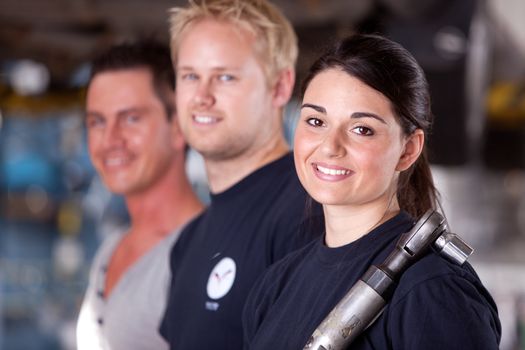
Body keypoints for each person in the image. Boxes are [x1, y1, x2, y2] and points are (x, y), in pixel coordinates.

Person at [242, 34, 501, 349]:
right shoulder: (275, 286)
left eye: (361, 129)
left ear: (408, 150)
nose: (330, 146)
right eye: (315, 120)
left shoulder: (431, 290)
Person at [159, 0, 322, 348]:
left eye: (225, 77)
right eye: (190, 76)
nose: (201, 97)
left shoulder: (308, 211)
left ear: (279, 87)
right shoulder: (188, 242)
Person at [76, 40, 203, 350]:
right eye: (97, 122)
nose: (109, 140)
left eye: (131, 118)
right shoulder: (112, 248)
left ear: (179, 126)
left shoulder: (204, 255)